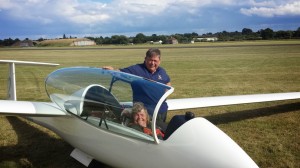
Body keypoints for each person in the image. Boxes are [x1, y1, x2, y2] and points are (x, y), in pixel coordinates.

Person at [103, 48, 171, 122]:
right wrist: (112, 70)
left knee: (161, 131)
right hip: (143, 113)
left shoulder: (161, 71)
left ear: (159, 61)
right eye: (150, 60)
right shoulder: (136, 69)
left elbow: (167, 82)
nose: (152, 63)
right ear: (145, 59)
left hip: (161, 110)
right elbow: (120, 73)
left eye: (155, 61)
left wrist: (164, 96)